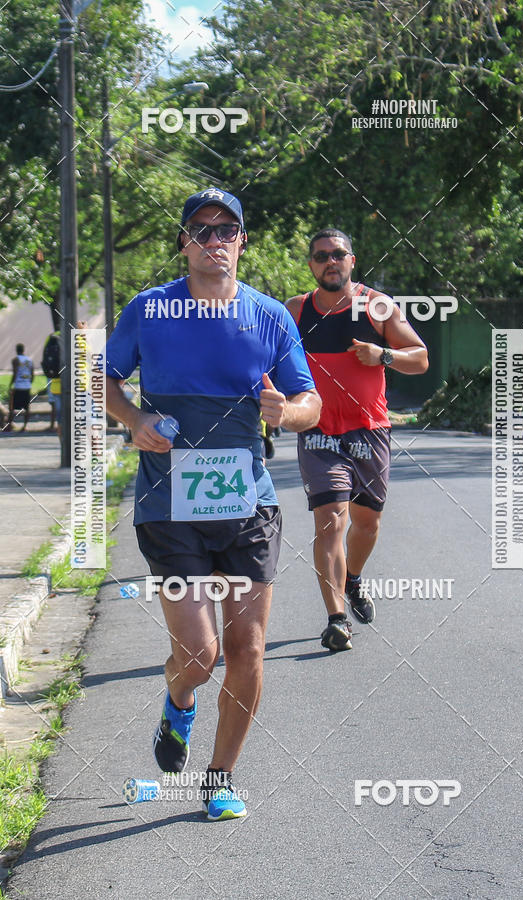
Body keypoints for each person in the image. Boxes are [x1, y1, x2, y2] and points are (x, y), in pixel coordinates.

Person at [104, 188, 320, 820]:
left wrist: (289, 410)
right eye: (200, 229)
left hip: (248, 503)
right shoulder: (149, 310)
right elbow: (103, 378)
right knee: (199, 655)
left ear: (242, 242)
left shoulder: (270, 316)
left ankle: (219, 777)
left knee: (247, 650)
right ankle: (179, 703)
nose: (214, 238)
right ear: (184, 242)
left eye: (226, 229)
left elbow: (309, 404)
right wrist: (132, 418)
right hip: (169, 505)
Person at [286, 229, 428, 652]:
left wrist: (382, 354)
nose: (331, 261)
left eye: (339, 254)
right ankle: (336, 619)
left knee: (367, 524)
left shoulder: (377, 306)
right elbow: (267, 360)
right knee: (330, 520)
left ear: (352, 260)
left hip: (370, 431)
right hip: (318, 433)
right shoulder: (295, 311)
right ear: (311, 264)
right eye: (321, 256)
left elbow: (420, 358)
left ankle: (353, 578)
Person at [7, 343, 34, 432]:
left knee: (12, 407)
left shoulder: (15, 360)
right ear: (23, 350)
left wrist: (10, 385)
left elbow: (15, 373)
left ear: (16, 350)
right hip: (27, 386)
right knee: (27, 407)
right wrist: (29, 383)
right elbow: (32, 374)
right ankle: (25, 426)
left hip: (18, 386)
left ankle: (9, 425)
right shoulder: (29, 360)